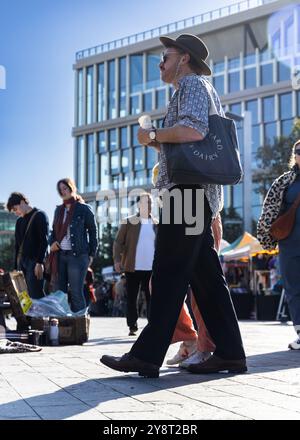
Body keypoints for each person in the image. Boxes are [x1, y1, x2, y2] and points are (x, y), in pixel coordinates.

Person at [101, 33, 246, 377]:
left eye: (165, 57)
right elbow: (185, 145)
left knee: (167, 272)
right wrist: (158, 141)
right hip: (192, 192)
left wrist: (152, 134)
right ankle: (230, 353)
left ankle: (147, 355)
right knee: (206, 278)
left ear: (184, 58)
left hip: (187, 193)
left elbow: (194, 132)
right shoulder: (187, 91)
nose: (160, 63)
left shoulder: (193, 84)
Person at [257, 139, 300, 350]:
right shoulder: (285, 181)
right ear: (294, 155)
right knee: (292, 287)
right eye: (299, 151)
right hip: (289, 242)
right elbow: (269, 210)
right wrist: (266, 235)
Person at [49, 178, 98, 312]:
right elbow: (53, 231)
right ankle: (61, 327)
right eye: (60, 190)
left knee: (76, 293)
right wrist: (51, 242)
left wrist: (92, 254)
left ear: (71, 188)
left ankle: (79, 328)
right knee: (60, 294)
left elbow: (93, 231)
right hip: (60, 256)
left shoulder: (84, 209)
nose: (62, 191)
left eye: (65, 188)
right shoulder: (58, 210)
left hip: (78, 256)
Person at [113, 193, 158, 335]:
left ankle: (152, 326)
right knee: (132, 298)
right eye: (145, 203)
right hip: (132, 267)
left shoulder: (157, 224)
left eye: (150, 203)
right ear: (139, 205)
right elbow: (118, 242)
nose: (148, 205)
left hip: (152, 268)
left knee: (152, 298)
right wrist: (117, 260)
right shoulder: (128, 222)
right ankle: (132, 326)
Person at [7, 192, 49, 299]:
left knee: (35, 294)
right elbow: (17, 246)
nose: (16, 213)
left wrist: (39, 262)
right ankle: (28, 316)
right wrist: (15, 268)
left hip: (35, 262)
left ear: (22, 202)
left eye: (15, 209)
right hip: (22, 263)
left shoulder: (39, 215)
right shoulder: (19, 221)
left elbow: (44, 241)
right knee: (23, 298)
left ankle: (40, 316)